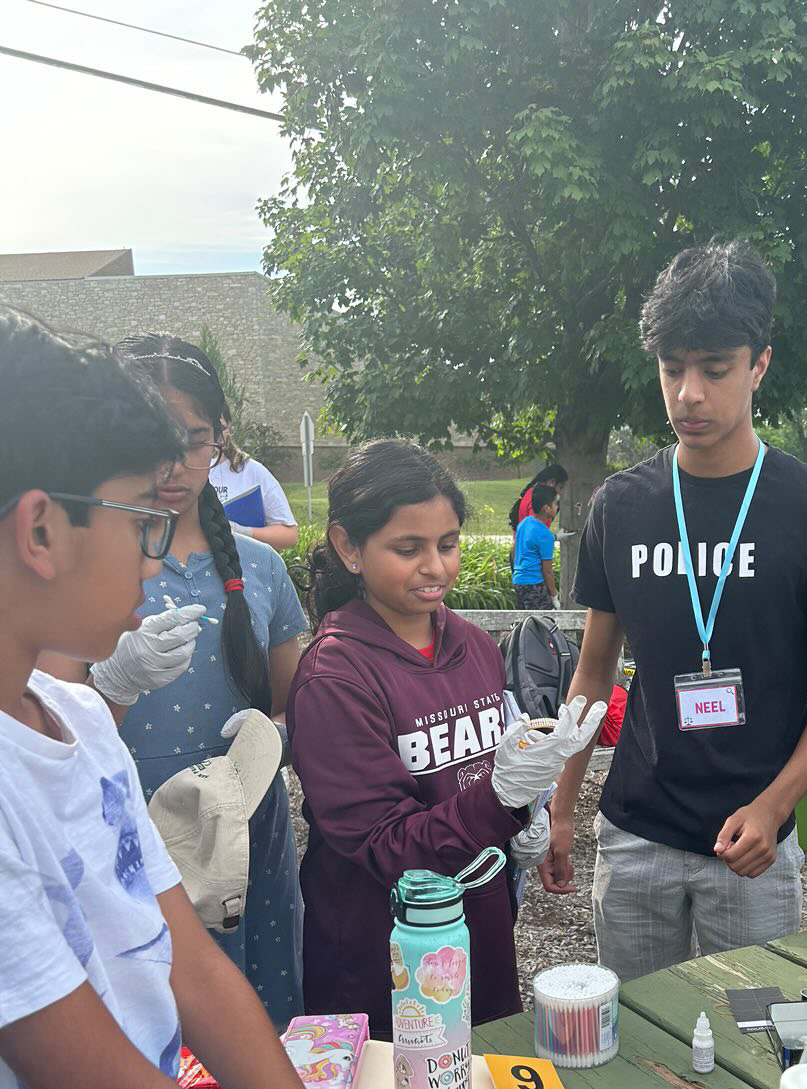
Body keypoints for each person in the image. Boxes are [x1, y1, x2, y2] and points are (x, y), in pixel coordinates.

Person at [0, 310, 556, 1089]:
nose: (162, 559)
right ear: (42, 526)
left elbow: (188, 963)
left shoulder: (70, 716)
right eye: (144, 523)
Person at [540, 241, 807, 981]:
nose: (689, 393)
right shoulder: (621, 506)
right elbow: (593, 673)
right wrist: (559, 807)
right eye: (672, 369)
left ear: (759, 365)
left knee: (752, 1046)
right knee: (639, 1041)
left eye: (715, 370)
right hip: (635, 833)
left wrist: (774, 808)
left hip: (752, 843)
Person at [286, 440, 603, 1030]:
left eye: (448, 544)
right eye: (408, 549)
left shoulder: (474, 645)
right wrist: (499, 801)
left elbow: (483, 769)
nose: (435, 567)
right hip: (383, 946)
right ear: (348, 547)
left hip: (480, 919)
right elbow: (385, 845)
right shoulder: (336, 677)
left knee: (486, 1084)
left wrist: (529, 806)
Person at [113, 335, 305, 1032]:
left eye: (193, 440)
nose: (173, 465)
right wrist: (115, 681)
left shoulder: (259, 567)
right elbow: (53, 722)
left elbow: (288, 704)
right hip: (134, 827)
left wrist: (272, 740)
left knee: (260, 1012)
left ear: (221, 438)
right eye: (152, 441)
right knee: (154, 1020)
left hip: (245, 821)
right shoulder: (97, 562)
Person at [208, 417, 299, 552]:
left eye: (220, 428)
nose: (216, 434)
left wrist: (244, 532)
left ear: (229, 426)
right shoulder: (183, 471)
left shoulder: (253, 471)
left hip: (247, 564)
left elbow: (289, 536)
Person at [512, 481, 559, 608]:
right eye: (555, 503)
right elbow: (547, 571)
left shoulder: (525, 523)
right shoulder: (545, 535)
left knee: (525, 623)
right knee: (544, 623)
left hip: (518, 581)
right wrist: (554, 596)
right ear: (546, 508)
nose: (557, 507)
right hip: (534, 583)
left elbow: (514, 549)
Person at [509, 463, 567, 531]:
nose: (561, 492)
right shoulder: (537, 499)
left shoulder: (533, 493)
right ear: (552, 482)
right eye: (561, 487)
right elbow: (535, 532)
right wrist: (554, 537)